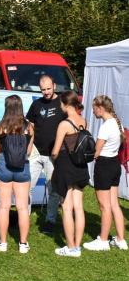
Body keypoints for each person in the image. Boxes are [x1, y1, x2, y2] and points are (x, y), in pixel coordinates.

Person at [83, 95, 127, 251]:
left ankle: (102, 240)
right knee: (114, 204)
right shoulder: (118, 124)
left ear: (100, 108)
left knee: (104, 206)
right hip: (115, 165)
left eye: (94, 108)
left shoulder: (106, 126)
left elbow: (96, 152)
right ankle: (121, 239)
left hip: (104, 166)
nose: (93, 111)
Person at [0, 95, 34, 254]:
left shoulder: (0, 127)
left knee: (4, 206)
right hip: (22, 167)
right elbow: (29, 152)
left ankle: (3, 243)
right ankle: (23, 244)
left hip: (4, 166)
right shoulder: (29, 127)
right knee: (22, 207)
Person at [26, 75, 66, 234]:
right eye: (43, 90)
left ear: (54, 85)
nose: (46, 92)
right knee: (26, 186)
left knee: (53, 189)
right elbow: (31, 126)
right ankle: (24, 216)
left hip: (53, 154)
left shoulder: (62, 103)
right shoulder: (36, 104)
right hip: (36, 151)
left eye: (49, 88)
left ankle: (50, 220)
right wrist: (29, 145)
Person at [51, 91, 90, 257]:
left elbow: (55, 150)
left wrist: (53, 158)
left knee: (66, 207)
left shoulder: (64, 124)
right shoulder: (84, 121)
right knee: (79, 207)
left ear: (66, 105)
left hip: (66, 165)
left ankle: (70, 246)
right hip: (80, 165)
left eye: (61, 103)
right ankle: (77, 246)